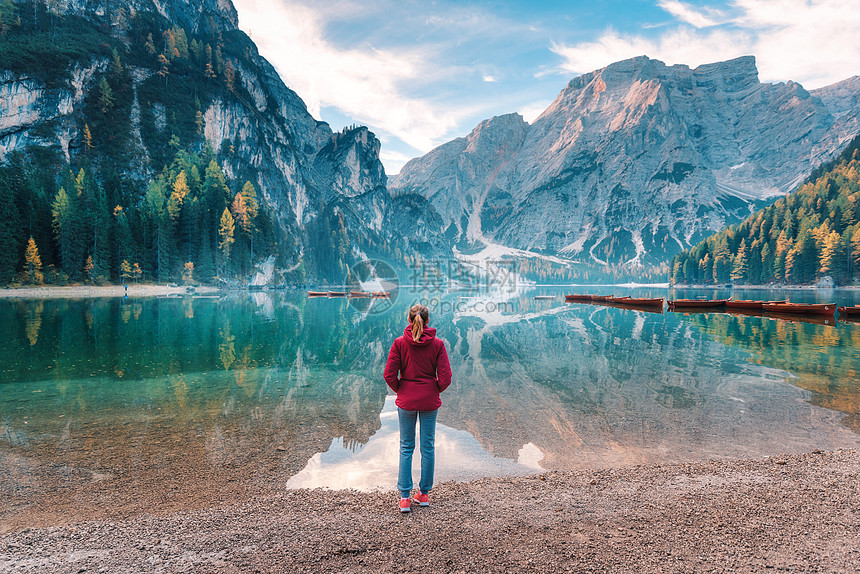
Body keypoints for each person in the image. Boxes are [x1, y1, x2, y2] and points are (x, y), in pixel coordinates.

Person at [383, 303, 452, 513]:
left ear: (409, 320)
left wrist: (401, 390)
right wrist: (433, 389)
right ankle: (423, 495)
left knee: (406, 447)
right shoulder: (438, 344)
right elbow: (446, 378)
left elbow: (388, 375)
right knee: (428, 447)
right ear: (427, 320)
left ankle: (404, 498)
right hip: (429, 400)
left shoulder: (399, 343)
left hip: (407, 401)